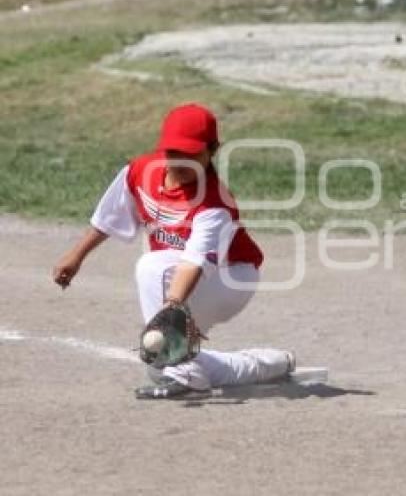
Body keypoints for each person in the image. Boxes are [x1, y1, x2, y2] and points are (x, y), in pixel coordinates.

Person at [52, 103, 295, 399]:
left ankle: (183, 369)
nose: (180, 162)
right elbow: (109, 216)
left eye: (191, 154)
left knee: (152, 268)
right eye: (173, 153)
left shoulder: (215, 203)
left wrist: (173, 307)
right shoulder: (142, 171)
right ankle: (267, 363)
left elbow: (193, 263)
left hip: (231, 278)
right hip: (185, 276)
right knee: (162, 364)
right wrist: (76, 256)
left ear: (213, 150)